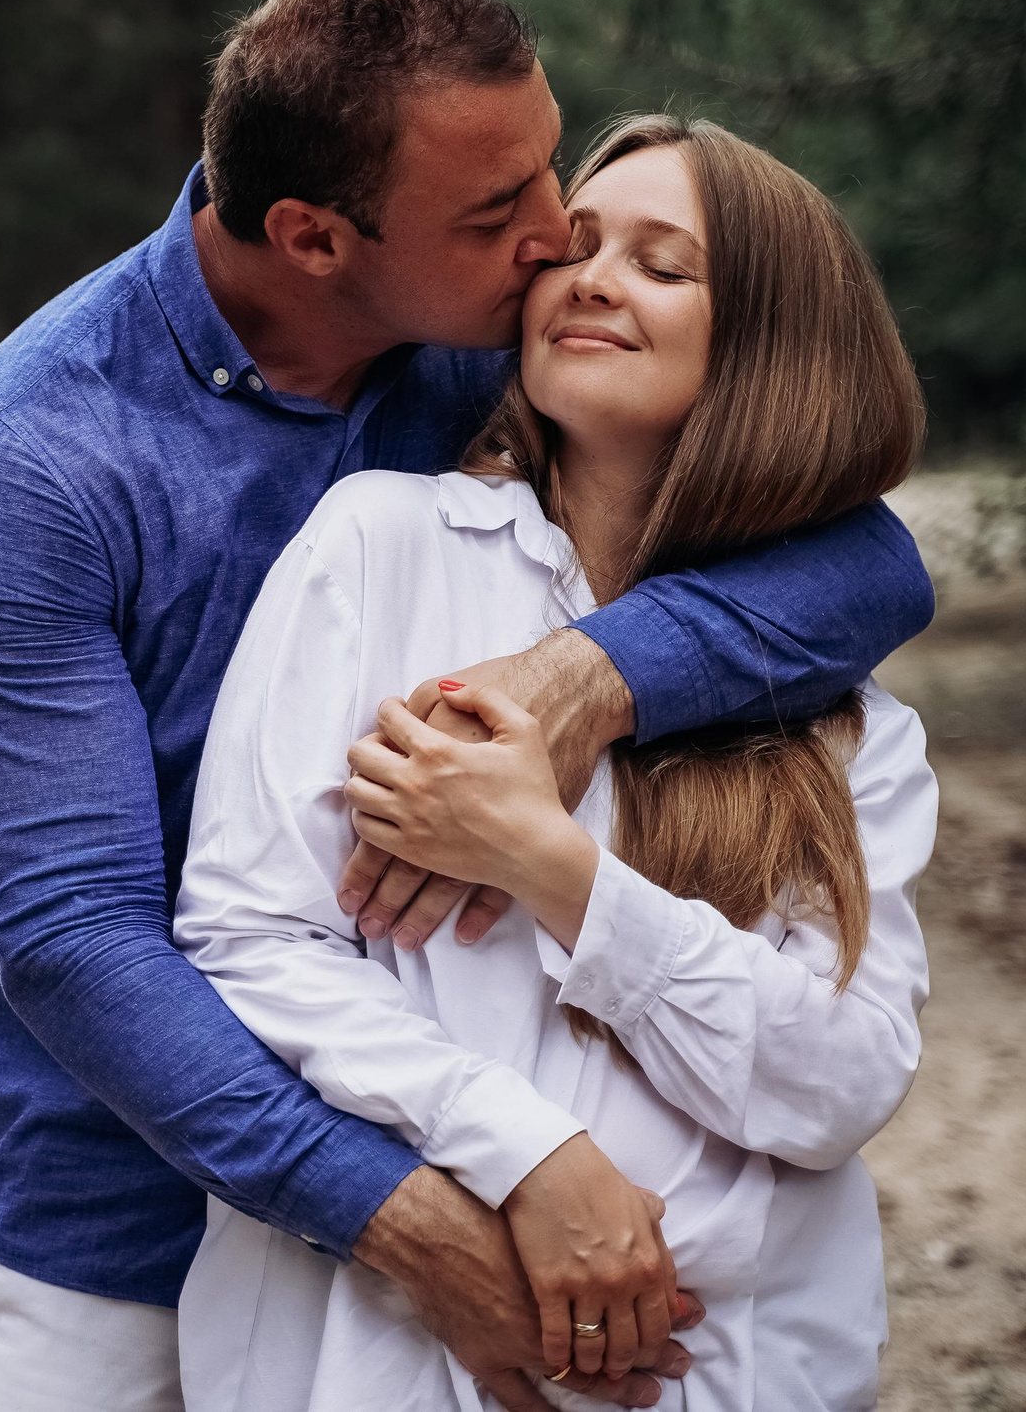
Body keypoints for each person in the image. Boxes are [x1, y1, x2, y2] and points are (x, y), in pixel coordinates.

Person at [0, 0, 935, 1412]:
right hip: (121, 1213)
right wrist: (414, 1217)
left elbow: (868, 565)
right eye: (500, 210)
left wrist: (580, 681)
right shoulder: (30, 457)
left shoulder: (495, 343)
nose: (557, 234)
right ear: (316, 239)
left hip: (479, 1183)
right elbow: (75, 935)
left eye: (549, 165)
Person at [174, 114, 937, 1411]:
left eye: (662, 263)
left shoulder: (845, 720)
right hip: (385, 1359)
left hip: (721, 1364)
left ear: (773, 348)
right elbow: (251, 941)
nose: (591, 279)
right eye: (574, 248)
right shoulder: (381, 549)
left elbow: (841, 1082)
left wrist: (556, 872)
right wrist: (528, 1154)